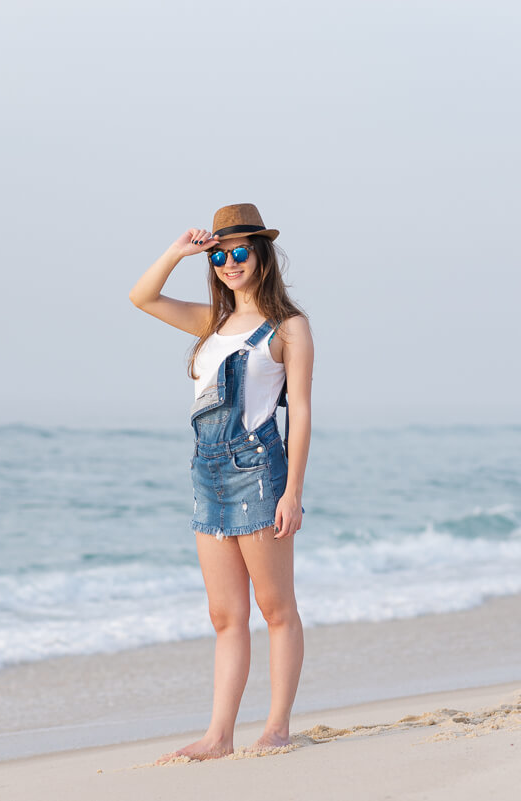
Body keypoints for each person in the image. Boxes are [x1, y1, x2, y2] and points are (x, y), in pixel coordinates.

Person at [129, 203, 314, 761]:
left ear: (261, 256)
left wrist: (293, 492)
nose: (229, 263)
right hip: (206, 474)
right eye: (219, 256)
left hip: (259, 471)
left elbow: (300, 412)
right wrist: (178, 250)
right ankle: (219, 735)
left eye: (239, 253)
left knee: (275, 608)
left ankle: (277, 727)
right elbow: (142, 297)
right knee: (224, 615)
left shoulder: (288, 328)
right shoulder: (209, 323)